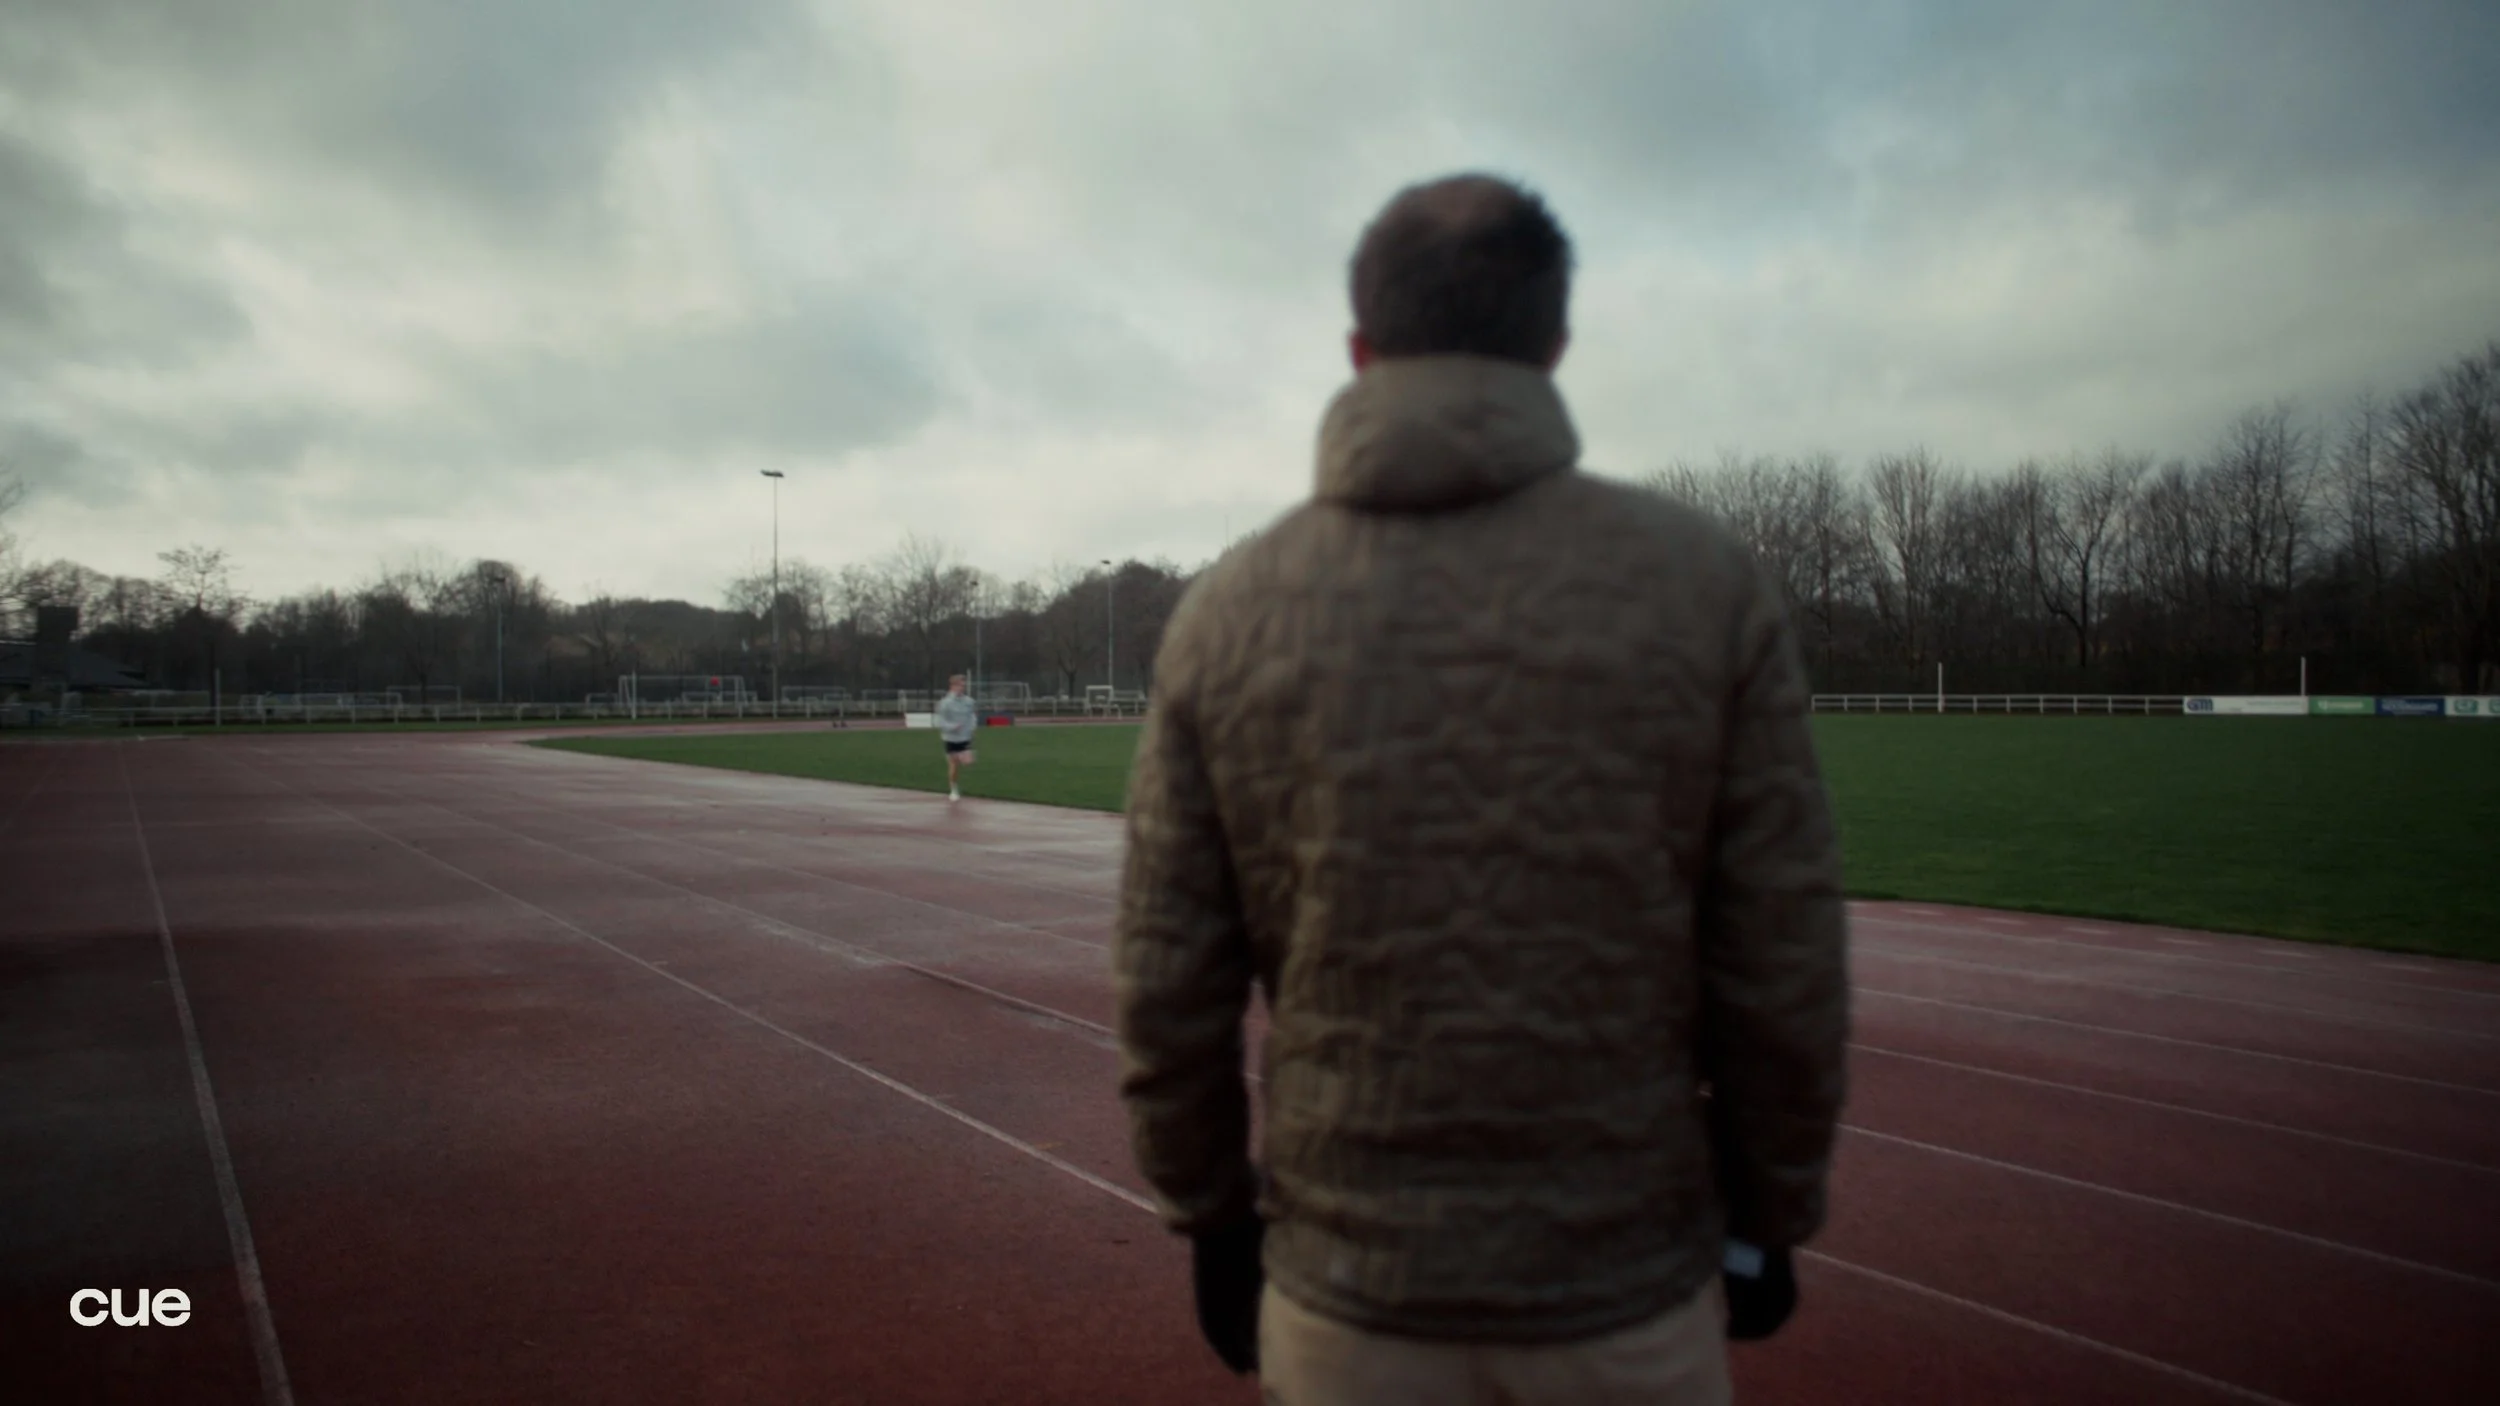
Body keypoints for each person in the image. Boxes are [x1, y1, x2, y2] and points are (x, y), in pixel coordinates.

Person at [1112, 173, 1850, 1405]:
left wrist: (1211, 1218)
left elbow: (1166, 982)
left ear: (1360, 349)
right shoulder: (1703, 584)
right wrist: (1766, 1207)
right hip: (1625, 1291)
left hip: (1350, 1298)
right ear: (1554, 342)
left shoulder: (1226, 615)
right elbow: (1780, 957)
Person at [935, 674, 978, 802]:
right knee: (953, 765)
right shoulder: (945, 703)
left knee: (968, 761)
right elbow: (939, 721)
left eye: (963, 686)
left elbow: (972, 716)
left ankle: (961, 757)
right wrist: (952, 727)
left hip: (965, 737)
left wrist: (972, 728)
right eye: (960, 685)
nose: (962, 688)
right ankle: (954, 789)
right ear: (953, 686)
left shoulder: (969, 701)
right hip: (950, 738)